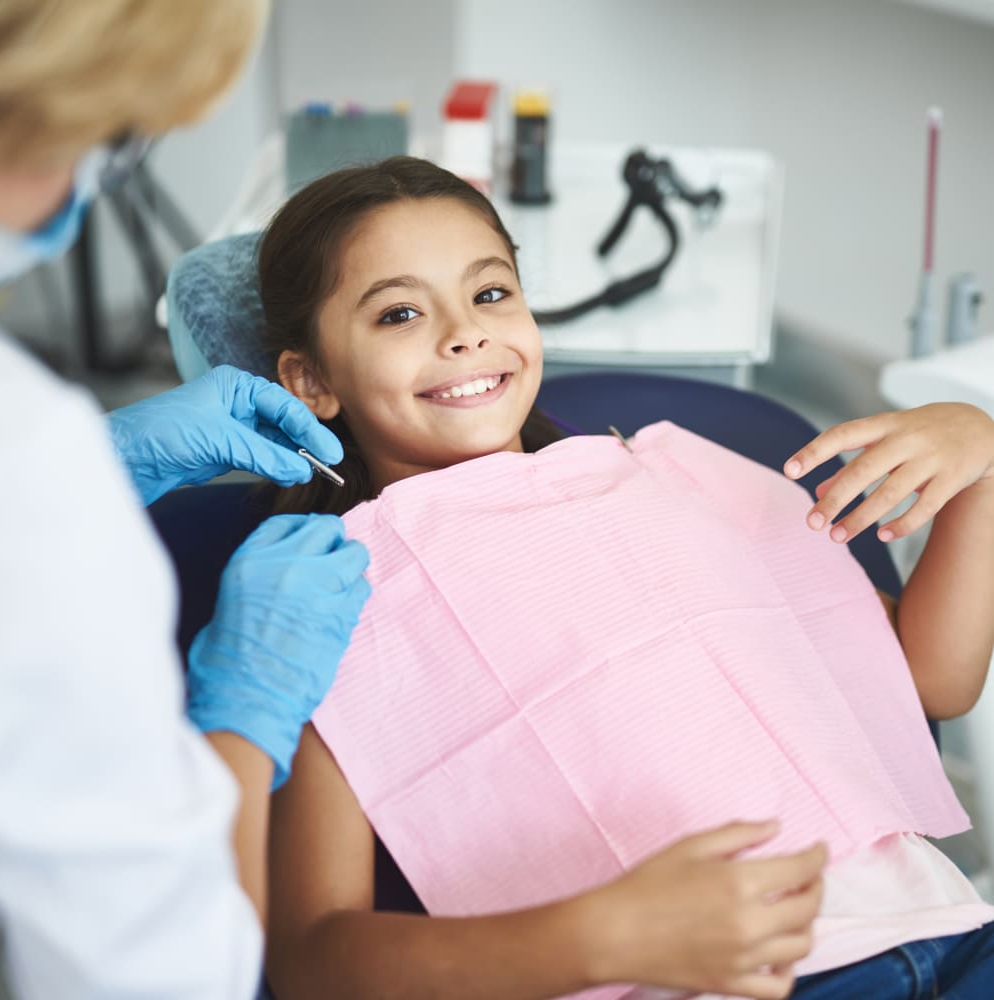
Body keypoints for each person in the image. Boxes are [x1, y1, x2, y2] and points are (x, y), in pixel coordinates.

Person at [252, 157, 994, 1000]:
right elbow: (313, 961)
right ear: (309, 379)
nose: (465, 334)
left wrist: (981, 463)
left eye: (491, 294)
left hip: (949, 927)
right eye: (399, 312)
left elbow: (931, 682)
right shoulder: (327, 595)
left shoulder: (675, 477)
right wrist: (596, 938)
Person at [0, 3, 369, 997]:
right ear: (307, 379)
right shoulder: (29, 461)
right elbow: (166, 973)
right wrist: (241, 720)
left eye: (494, 294)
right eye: (103, 137)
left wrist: (106, 460)